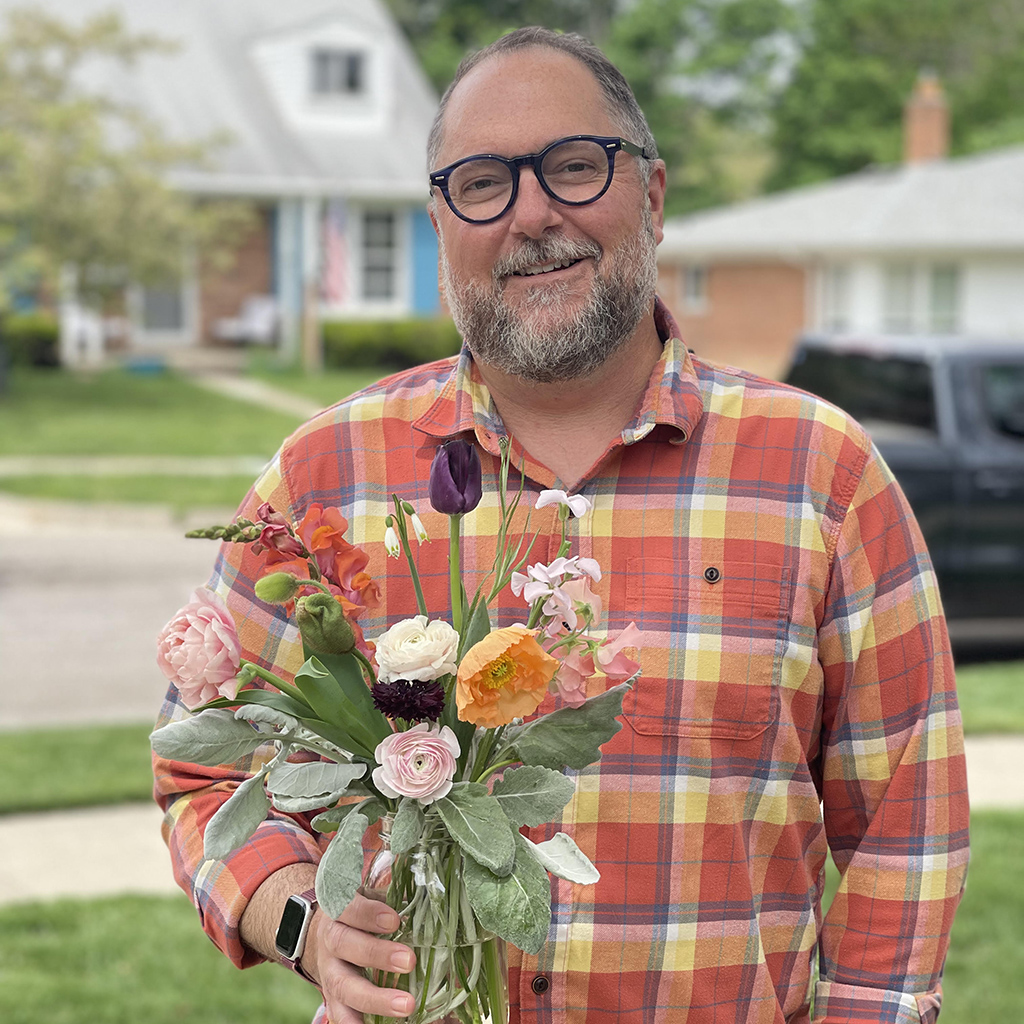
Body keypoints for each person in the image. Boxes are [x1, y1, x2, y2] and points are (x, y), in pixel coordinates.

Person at [153, 26, 969, 1024]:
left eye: (575, 168)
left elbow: (904, 825)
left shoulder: (823, 479)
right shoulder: (325, 477)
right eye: (483, 182)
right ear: (442, 221)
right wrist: (300, 923)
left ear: (655, 198)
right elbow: (203, 764)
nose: (533, 213)